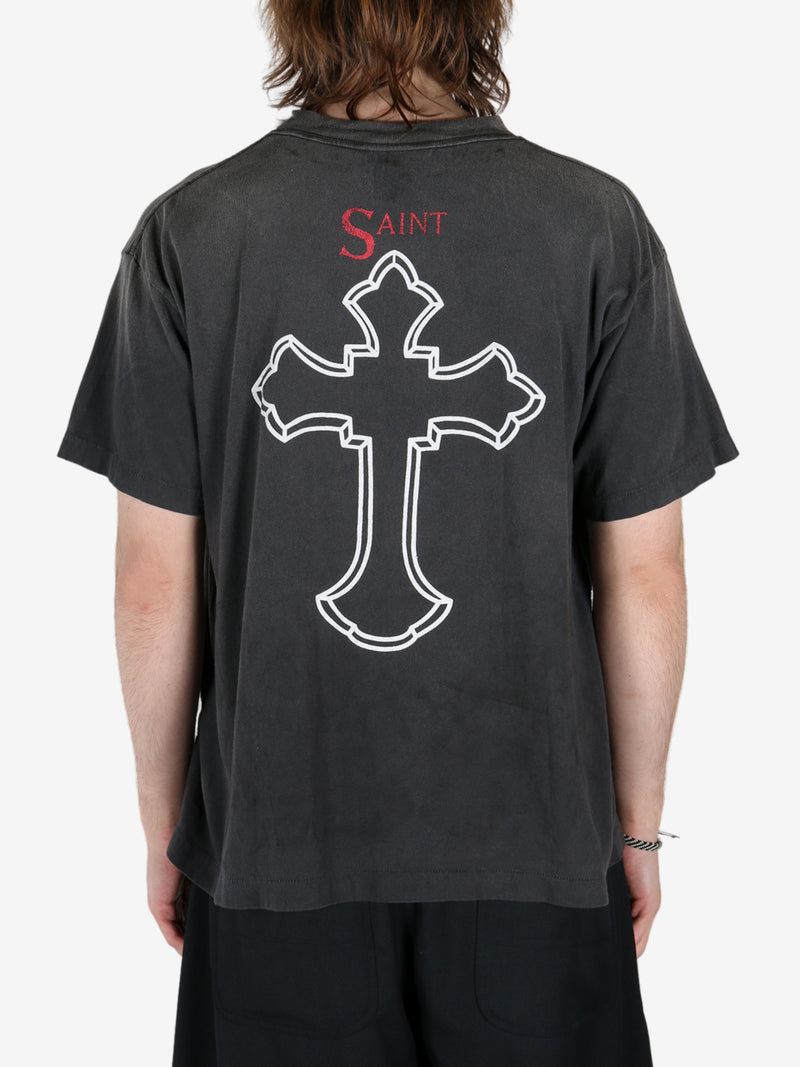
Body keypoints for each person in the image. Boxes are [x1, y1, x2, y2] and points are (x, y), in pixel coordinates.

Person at [57, 2, 738, 1064]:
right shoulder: (594, 225)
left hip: (275, 848)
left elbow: (154, 578)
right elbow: (645, 572)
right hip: (537, 855)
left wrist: (168, 827)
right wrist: (635, 826)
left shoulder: (193, 229)